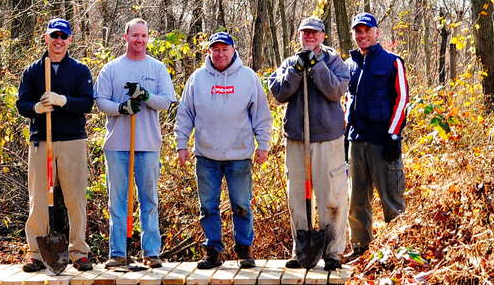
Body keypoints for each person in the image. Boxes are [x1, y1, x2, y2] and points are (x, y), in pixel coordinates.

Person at [175, 32, 272, 269]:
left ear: (233, 50)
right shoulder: (197, 79)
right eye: (215, 49)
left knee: (242, 205)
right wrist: (181, 144)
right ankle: (213, 251)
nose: (220, 54)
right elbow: (185, 113)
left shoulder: (248, 77)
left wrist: (264, 145)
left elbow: (261, 114)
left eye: (224, 49)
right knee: (208, 207)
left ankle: (244, 251)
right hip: (206, 156)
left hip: (239, 155)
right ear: (209, 51)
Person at [268, 17, 350, 271]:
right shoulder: (290, 62)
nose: (310, 37)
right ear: (300, 36)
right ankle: (302, 250)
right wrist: (297, 69)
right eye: (305, 33)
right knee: (297, 198)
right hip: (297, 140)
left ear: (323, 36)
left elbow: (335, 91)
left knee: (331, 197)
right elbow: (280, 93)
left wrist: (316, 66)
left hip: (328, 140)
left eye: (314, 33)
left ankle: (333, 252)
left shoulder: (334, 61)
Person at [95, 18, 176, 269]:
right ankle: (118, 253)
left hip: (148, 144)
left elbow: (166, 101)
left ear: (148, 38)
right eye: (135, 35)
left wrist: (145, 95)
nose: (139, 40)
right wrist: (122, 108)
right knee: (118, 201)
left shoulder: (157, 68)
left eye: (143, 35)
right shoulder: (111, 69)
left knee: (149, 200)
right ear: (126, 37)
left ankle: (151, 253)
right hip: (117, 145)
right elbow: (100, 101)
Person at [16, 18, 94, 272]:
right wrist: (36, 108)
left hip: (72, 141)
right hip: (42, 141)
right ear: (46, 38)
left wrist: (63, 100)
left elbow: (87, 103)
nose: (58, 41)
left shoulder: (80, 70)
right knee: (38, 199)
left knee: (75, 199)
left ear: (70, 40)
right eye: (54, 36)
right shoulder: (33, 71)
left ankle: (79, 252)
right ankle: (36, 254)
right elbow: (21, 104)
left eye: (63, 36)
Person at [345, 12, 409, 258]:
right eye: (358, 32)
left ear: (376, 33)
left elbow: (402, 99)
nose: (362, 36)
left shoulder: (392, 62)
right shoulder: (350, 64)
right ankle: (360, 249)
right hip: (356, 141)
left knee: (391, 200)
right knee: (357, 200)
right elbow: (348, 100)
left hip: (383, 142)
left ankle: (399, 253)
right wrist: (346, 135)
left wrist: (393, 136)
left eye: (367, 31)